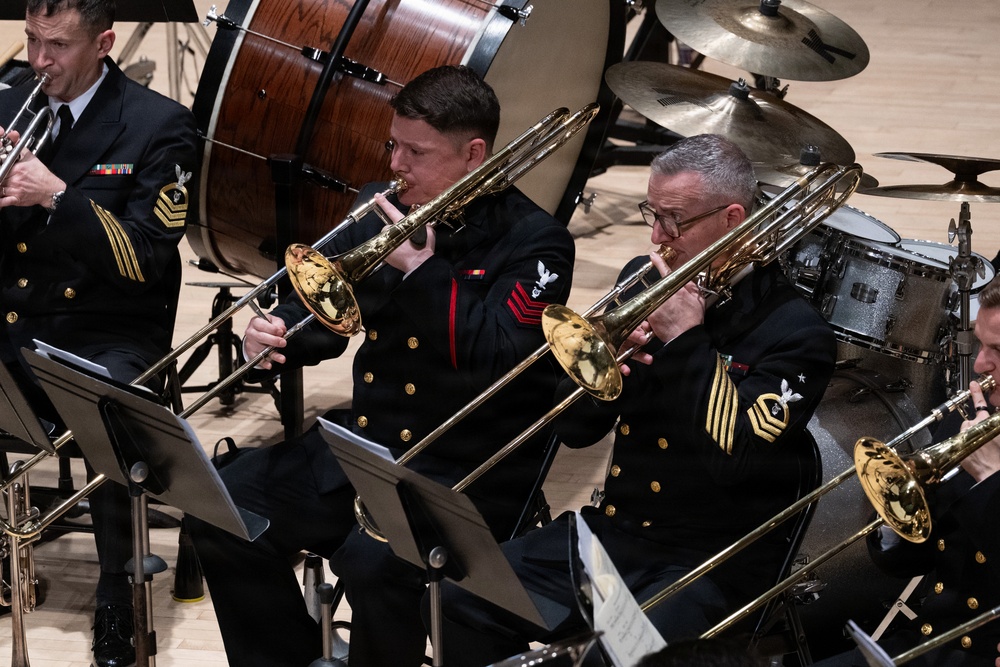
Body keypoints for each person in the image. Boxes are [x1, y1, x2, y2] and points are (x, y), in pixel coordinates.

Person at [185, 64, 576, 667]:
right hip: (370, 446)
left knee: (372, 567)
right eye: (394, 144)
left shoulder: (536, 242)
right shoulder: (385, 206)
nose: (395, 164)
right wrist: (276, 333)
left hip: (459, 469)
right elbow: (326, 302)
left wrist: (421, 273)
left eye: (415, 152)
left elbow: (497, 361)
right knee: (222, 506)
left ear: (473, 154)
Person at [433, 134, 838, 665]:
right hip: (618, 535)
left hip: (709, 561)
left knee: (618, 658)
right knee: (457, 596)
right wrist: (606, 370)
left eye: (674, 221)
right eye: (653, 213)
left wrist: (686, 341)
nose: (657, 236)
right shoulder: (640, 282)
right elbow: (575, 430)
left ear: (733, 217)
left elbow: (736, 458)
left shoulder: (796, 333)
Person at [0, 1, 197, 665]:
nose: (37, 61)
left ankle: (116, 590)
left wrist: (58, 195)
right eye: (31, 40)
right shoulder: (9, 97)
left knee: (108, 402)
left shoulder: (158, 126)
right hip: (17, 317)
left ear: (104, 42)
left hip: (105, 328)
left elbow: (145, 257)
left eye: (55, 46)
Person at [814, 277, 1000, 667]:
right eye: (980, 345)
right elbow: (915, 562)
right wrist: (894, 517)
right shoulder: (974, 416)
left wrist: (989, 481)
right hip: (933, 641)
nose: (981, 365)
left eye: (997, 349)